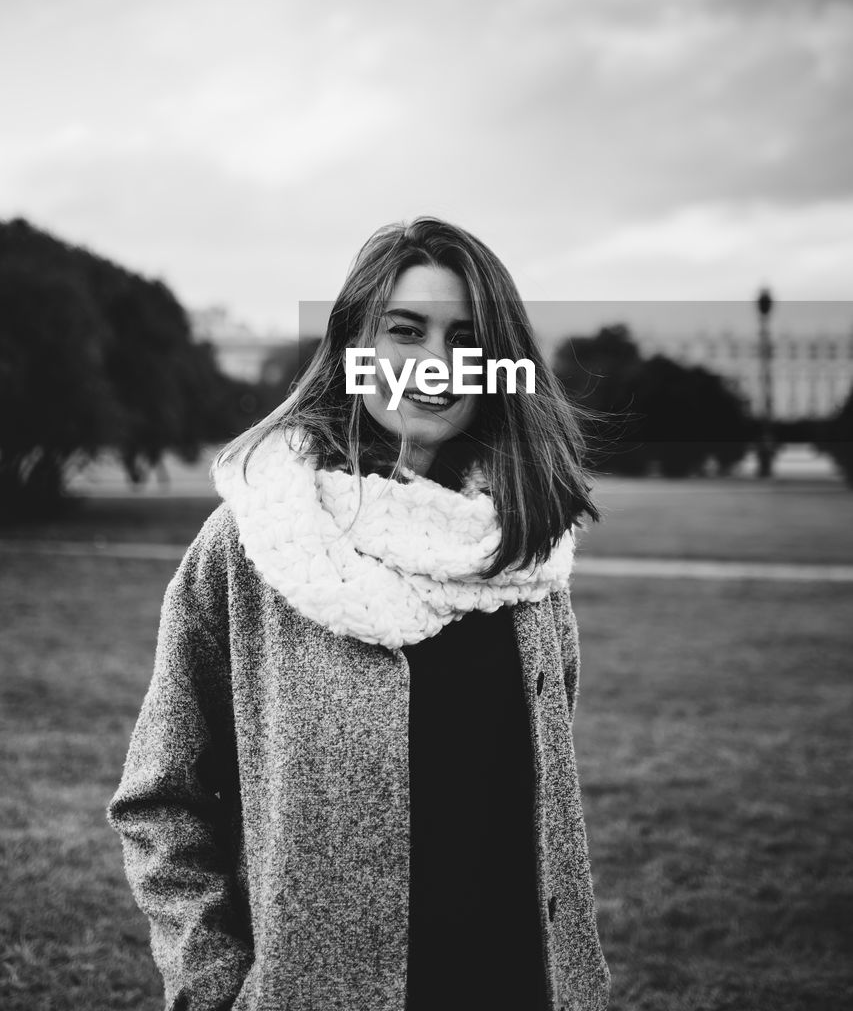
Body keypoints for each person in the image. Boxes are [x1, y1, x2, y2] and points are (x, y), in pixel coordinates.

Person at [106, 215, 611, 1011]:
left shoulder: (525, 554)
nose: (433, 365)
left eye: (465, 340)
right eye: (405, 330)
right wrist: (212, 988)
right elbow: (160, 798)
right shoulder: (254, 542)